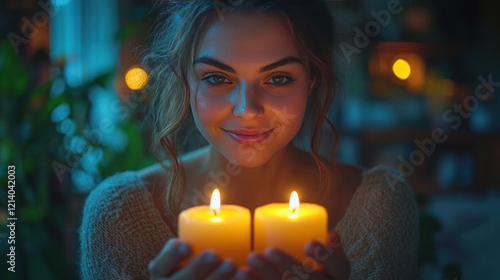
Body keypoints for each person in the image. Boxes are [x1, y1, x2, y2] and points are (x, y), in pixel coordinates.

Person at [79, 1, 419, 279]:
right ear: (186, 81)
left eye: (279, 78)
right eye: (217, 78)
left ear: (313, 81)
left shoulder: (380, 204)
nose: (247, 109)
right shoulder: (119, 214)